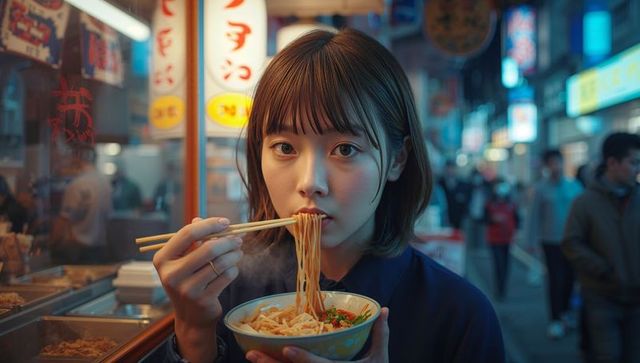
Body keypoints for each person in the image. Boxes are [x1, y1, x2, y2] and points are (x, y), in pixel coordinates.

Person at [153, 28, 504, 363]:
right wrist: (194, 329)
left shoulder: (458, 315)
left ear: (397, 159)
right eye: (285, 147)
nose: (310, 182)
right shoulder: (226, 291)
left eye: (346, 149)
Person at [562, 132, 640, 363]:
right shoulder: (585, 202)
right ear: (612, 163)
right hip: (602, 295)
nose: (637, 169)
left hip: (637, 299)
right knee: (608, 355)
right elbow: (571, 243)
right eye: (633, 162)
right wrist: (602, 269)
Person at [527, 149, 583, 339]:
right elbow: (533, 217)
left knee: (570, 279)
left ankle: (566, 313)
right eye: (551, 162)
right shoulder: (541, 189)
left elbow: (583, 214)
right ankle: (555, 319)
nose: (555, 166)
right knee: (555, 280)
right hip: (550, 242)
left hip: (573, 241)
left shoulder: (574, 186)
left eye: (557, 161)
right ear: (546, 166)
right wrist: (531, 241)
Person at [50, 143, 113, 264]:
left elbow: (63, 221)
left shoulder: (77, 185)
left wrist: (51, 243)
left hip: (79, 252)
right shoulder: (105, 182)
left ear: (77, 158)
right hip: (100, 250)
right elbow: (109, 218)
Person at [483, 179, 519, 301]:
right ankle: (498, 290)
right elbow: (484, 219)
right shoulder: (490, 204)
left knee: (506, 265)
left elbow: (518, 220)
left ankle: (503, 289)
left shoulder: (511, 204)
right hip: (494, 239)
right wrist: (493, 219)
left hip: (507, 240)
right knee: (498, 264)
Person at [438, 159, 472, 230]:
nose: (450, 170)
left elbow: (467, 202)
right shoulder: (440, 184)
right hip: (443, 219)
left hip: (459, 220)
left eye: (452, 168)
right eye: (448, 168)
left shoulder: (463, 185)